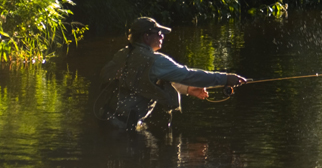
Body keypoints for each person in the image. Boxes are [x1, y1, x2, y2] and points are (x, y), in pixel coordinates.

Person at [96, 17, 247, 129]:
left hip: (105, 119)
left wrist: (187, 90)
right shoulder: (156, 61)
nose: (162, 36)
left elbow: (139, 82)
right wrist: (225, 78)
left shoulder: (124, 54)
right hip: (124, 127)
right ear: (146, 37)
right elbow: (190, 76)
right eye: (158, 33)